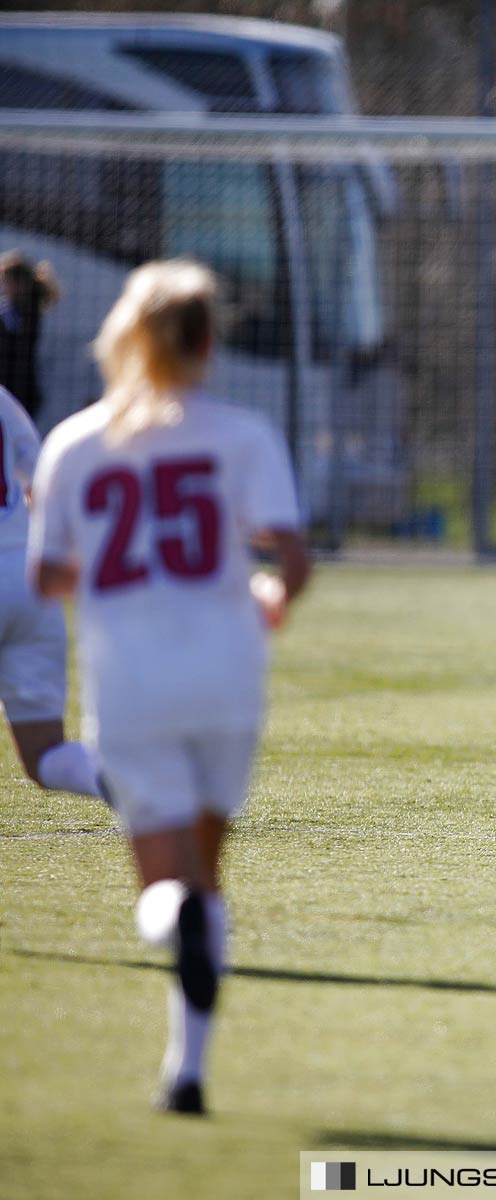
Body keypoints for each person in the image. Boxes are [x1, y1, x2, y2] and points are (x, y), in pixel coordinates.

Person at [28, 259, 311, 1117]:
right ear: (208, 340)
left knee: (166, 884)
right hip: (228, 672)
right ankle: (185, 1073)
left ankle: (173, 938)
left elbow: (48, 579)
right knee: (210, 869)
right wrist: (264, 596)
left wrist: (119, 581)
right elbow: (291, 564)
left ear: (128, 335)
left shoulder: (76, 441)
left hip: (135, 684)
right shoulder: (243, 433)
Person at [0, 382, 104, 801]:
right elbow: (40, 479)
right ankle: (137, 783)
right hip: (25, 581)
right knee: (45, 753)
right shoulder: (3, 399)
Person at [0, 250, 60, 422]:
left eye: (6, 282)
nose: (3, 287)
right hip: (17, 390)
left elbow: (14, 344)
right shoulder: (14, 309)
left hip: (19, 392)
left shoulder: (28, 310)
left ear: (19, 283)